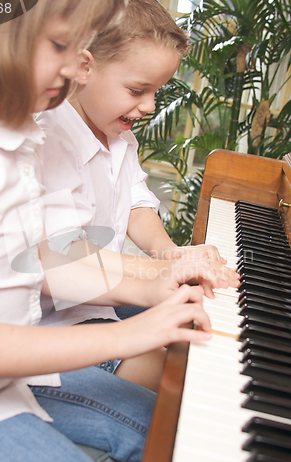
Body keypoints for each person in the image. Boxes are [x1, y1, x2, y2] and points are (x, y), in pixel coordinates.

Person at [0, 1, 213, 462]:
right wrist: (134, 332)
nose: (80, 66)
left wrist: (155, 278)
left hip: (7, 380)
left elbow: (35, 259)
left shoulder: (16, 135)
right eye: (61, 45)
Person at [36, 0, 240, 390]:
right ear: (85, 67)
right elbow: (64, 254)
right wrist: (156, 275)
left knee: (195, 325)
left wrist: (169, 253)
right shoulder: (53, 136)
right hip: (52, 320)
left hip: (96, 300)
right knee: (168, 377)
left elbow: (136, 203)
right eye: (137, 90)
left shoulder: (120, 137)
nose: (148, 106)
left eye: (156, 92)